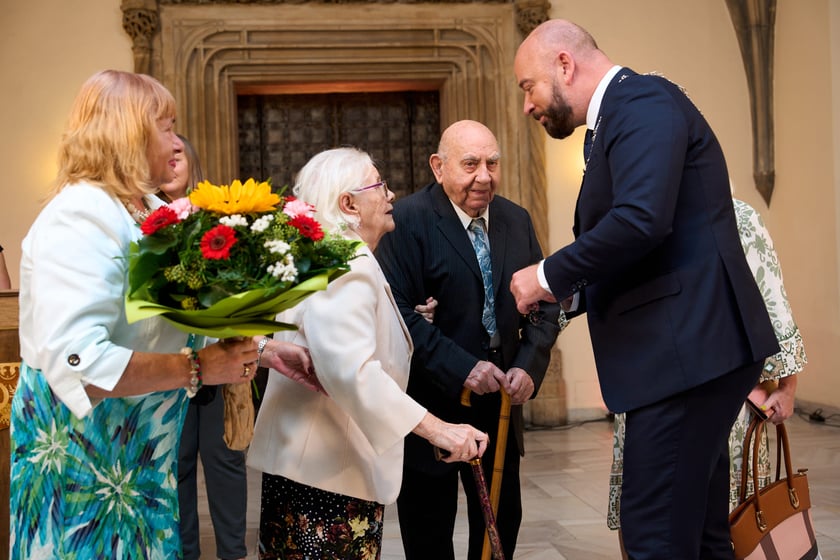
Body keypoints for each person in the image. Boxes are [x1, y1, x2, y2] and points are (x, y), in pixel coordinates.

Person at [510, 20, 779, 559]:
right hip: (690, 353)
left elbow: (640, 220)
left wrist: (545, 274)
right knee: (700, 535)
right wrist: (569, 294)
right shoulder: (621, 116)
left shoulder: (642, 102)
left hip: (685, 354)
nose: (527, 105)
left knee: (653, 534)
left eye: (528, 86)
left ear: (564, 64)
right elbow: (651, 248)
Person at [8, 69, 288, 558]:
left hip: (137, 462)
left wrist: (265, 349)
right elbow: (80, 364)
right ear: (129, 134)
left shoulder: (147, 212)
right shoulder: (79, 215)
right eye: (167, 127)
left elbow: (169, 323)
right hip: (83, 469)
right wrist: (199, 369)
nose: (177, 143)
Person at [246, 146, 490, 560]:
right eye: (379, 185)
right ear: (349, 204)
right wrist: (438, 429)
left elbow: (333, 340)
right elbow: (352, 371)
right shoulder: (348, 266)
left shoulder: (325, 257)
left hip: (310, 469)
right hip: (327, 477)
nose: (390, 194)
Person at [376, 120, 562, 560]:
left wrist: (529, 365)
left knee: (499, 523)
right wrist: (464, 367)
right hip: (431, 401)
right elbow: (398, 315)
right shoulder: (407, 220)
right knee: (428, 527)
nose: (484, 176)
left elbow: (545, 303)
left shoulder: (516, 219)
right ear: (438, 167)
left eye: (492, 164)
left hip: (500, 403)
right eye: (470, 164)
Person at [606, 198, 808, 556]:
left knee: (721, 524)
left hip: (722, 393)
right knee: (648, 518)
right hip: (647, 393)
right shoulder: (632, 217)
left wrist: (787, 387)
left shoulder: (737, 215)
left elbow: (771, 297)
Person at [159, 134, 249, 560]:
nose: (171, 161)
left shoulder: (219, 218)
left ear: (192, 162)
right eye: (165, 154)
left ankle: (234, 553)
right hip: (167, 365)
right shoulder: (143, 219)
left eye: (178, 154)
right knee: (176, 466)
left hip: (219, 358)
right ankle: (185, 553)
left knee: (225, 460)